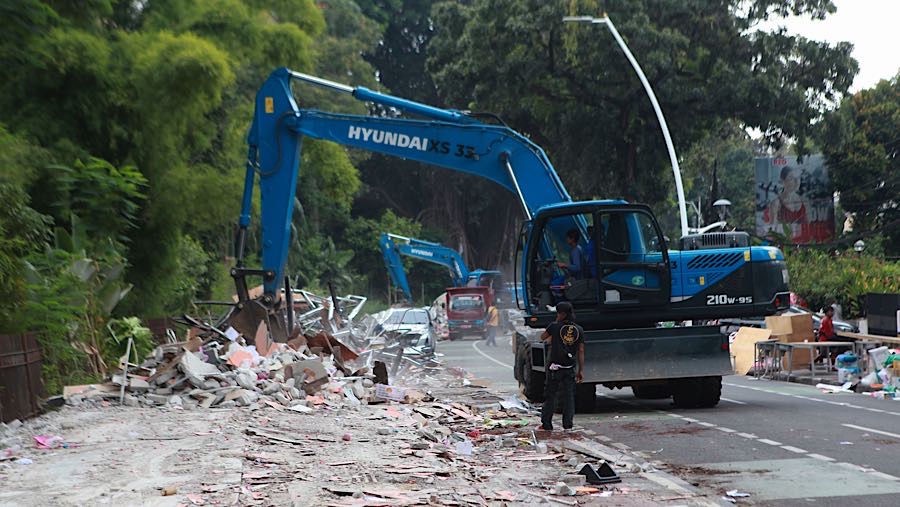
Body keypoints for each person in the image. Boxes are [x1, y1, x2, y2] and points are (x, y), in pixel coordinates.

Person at [539, 302, 585, 431]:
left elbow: (542, 337)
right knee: (569, 396)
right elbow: (581, 351)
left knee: (550, 395)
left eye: (558, 313)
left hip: (555, 368)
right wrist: (580, 370)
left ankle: (547, 424)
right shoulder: (578, 329)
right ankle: (568, 424)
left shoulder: (554, 326)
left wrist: (555, 328)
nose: (557, 315)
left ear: (562, 314)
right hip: (570, 368)